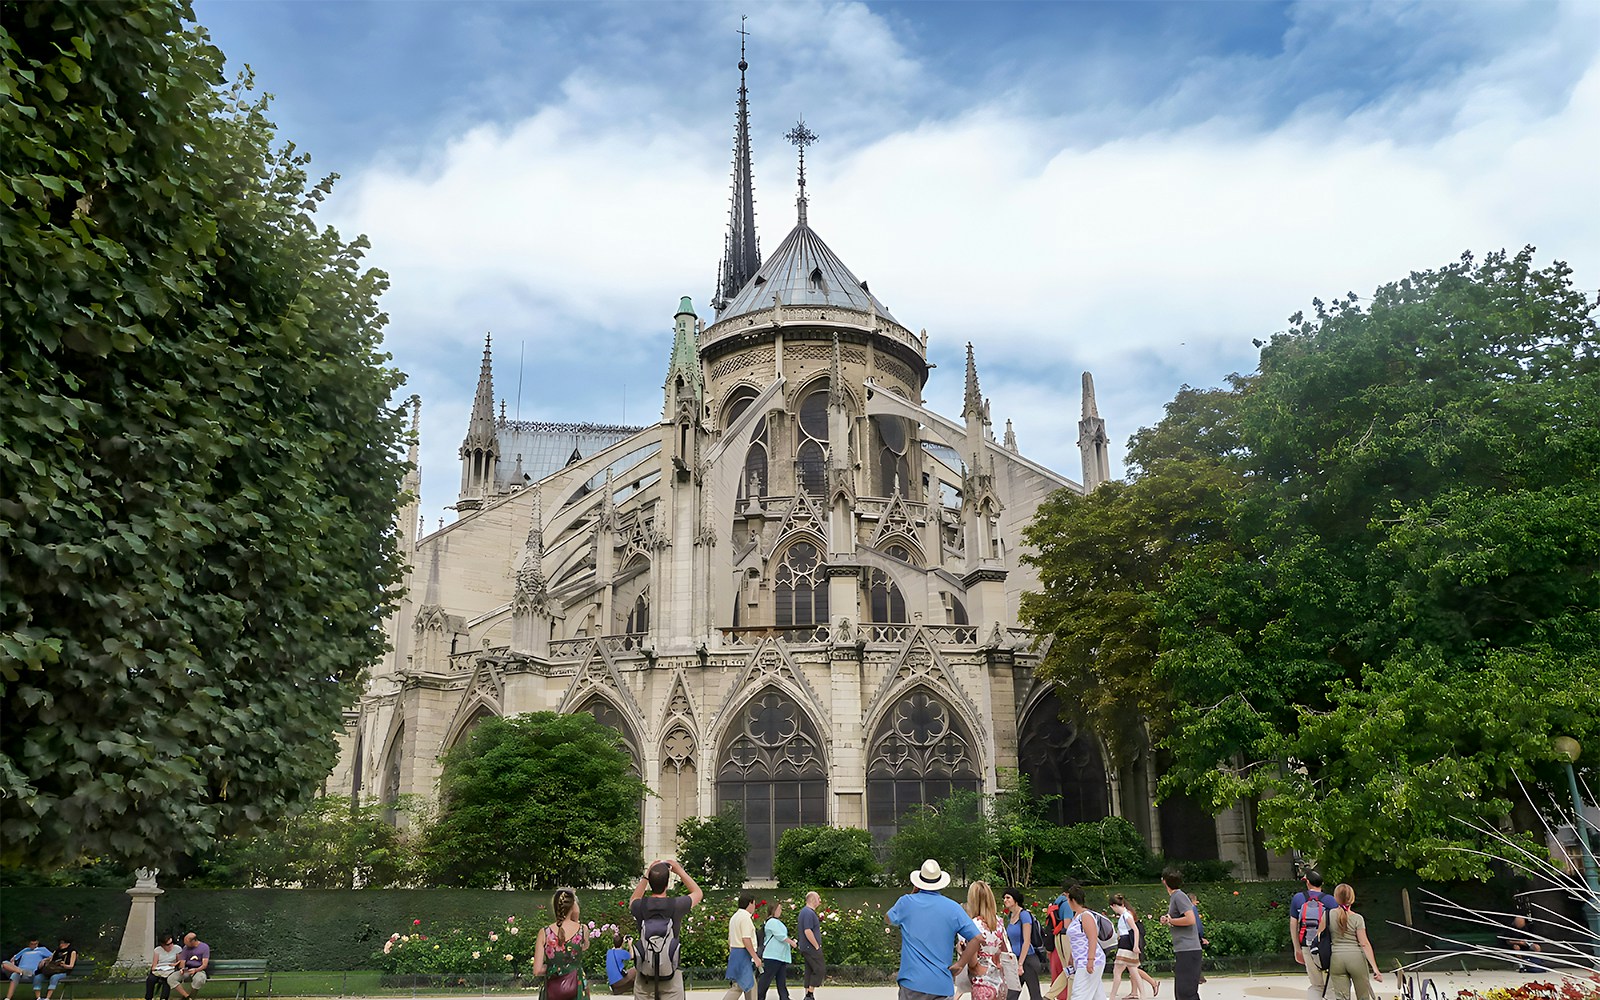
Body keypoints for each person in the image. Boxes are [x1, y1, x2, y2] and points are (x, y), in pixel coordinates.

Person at [886, 859, 983, 1000]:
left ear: (918, 882)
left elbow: (888, 919)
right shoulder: (953, 907)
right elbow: (977, 938)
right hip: (941, 985)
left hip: (912, 983)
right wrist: (960, 964)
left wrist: (912, 896)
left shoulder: (906, 902)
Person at [630, 859, 703, 1000]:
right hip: (670, 976)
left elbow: (633, 899)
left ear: (650, 882)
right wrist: (679, 870)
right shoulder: (676, 905)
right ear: (667, 883)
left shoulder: (640, 906)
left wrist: (646, 875)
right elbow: (698, 893)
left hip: (645, 976)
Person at [1318, 884, 1381, 1000]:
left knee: (1341, 997)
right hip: (1356, 959)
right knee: (1363, 996)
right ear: (1352, 898)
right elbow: (1364, 943)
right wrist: (1375, 969)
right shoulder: (1357, 918)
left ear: (1335, 897)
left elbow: (1319, 936)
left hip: (1336, 959)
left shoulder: (1327, 915)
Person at [1290, 870, 1338, 1000]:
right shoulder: (1330, 900)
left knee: (1316, 985)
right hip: (1326, 947)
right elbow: (1335, 925)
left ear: (1308, 883)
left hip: (1307, 946)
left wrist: (1297, 948)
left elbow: (1294, 925)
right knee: (1331, 984)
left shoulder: (1298, 898)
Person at [535, 889, 590, 1000]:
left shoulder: (544, 933)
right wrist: (576, 918)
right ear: (573, 906)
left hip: (553, 990)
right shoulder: (582, 930)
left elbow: (537, 970)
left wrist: (555, 967)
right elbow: (584, 947)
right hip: (577, 987)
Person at [1158, 869, 1200, 1000]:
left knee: (1186, 992)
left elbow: (1190, 919)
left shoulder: (1179, 896)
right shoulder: (1176, 897)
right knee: (1183, 993)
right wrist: (1168, 919)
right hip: (1184, 949)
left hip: (1189, 949)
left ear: (1164, 881)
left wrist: (1171, 920)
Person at [962, 882, 1007, 1000]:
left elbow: (972, 963)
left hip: (982, 981)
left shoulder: (973, 925)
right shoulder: (999, 923)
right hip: (999, 980)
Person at [1107, 895, 1155, 1000]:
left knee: (1118, 971)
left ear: (1114, 906)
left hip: (1125, 944)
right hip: (1128, 943)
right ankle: (1142, 995)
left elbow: (1135, 930)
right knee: (1133, 969)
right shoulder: (1126, 914)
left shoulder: (1126, 915)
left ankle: (1112, 996)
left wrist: (1136, 945)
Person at [1061, 886, 1106, 1000]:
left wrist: (1090, 960)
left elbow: (1092, 938)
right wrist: (1072, 957)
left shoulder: (1086, 916)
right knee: (1097, 995)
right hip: (1081, 959)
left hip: (1089, 960)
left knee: (1079, 994)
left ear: (1072, 900)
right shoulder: (1077, 916)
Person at [1002, 889, 1043, 1000]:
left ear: (1015, 900)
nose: (1005, 900)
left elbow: (1027, 941)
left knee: (1035, 995)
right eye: (1004, 898)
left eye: (1008, 897)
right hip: (1015, 960)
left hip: (1027, 960)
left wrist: (1020, 964)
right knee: (1011, 995)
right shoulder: (1010, 916)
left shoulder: (1024, 915)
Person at [723, 894, 764, 1000]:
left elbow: (730, 939)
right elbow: (746, 939)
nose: (754, 907)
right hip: (743, 954)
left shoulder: (734, 917)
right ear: (750, 903)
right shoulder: (745, 918)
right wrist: (755, 957)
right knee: (740, 986)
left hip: (736, 953)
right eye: (754, 904)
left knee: (749, 985)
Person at [758, 902, 797, 1000]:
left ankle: (784, 997)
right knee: (766, 979)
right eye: (779, 909)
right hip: (773, 956)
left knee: (781, 980)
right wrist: (792, 943)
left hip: (780, 956)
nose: (780, 911)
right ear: (773, 910)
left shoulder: (776, 922)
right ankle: (759, 997)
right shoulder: (772, 922)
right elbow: (780, 936)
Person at [797, 892, 824, 1000]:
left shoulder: (805, 912)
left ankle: (808, 994)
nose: (820, 900)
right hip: (811, 947)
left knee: (810, 970)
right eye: (818, 898)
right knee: (819, 968)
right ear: (812, 900)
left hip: (806, 947)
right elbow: (808, 931)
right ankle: (809, 993)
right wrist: (816, 946)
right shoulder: (808, 913)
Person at [168, 932, 209, 1000]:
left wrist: (195, 970)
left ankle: (191, 996)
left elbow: (204, 964)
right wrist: (182, 968)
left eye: (186, 942)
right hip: (187, 969)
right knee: (171, 979)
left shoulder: (204, 947)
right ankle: (187, 997)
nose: (185, 944)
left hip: (199, 970)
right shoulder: (185, 948)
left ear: (193, 941)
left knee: (199, 979)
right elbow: (182, 961)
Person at [147, 933, 182, 1000]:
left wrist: (175, 964)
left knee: (167, 980)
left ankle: (164, 998)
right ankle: (148, 997)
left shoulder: (177, 948)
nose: (171, 945)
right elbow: (154, 965)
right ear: (163, 945)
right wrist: (155, 969)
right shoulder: (157, 950)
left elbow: (180, 961)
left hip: (171, 969)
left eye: (172, 943)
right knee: (151, 979)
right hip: (160, 968)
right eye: (168, 944)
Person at [607, 930, 636, 996]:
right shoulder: (622, 953)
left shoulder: (609, 952)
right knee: (636, 970)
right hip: (619, 981)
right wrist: (630, 945)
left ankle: (618, 990)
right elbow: (632, 956)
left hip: (612, 981)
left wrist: (622, 942)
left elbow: (617, 948)